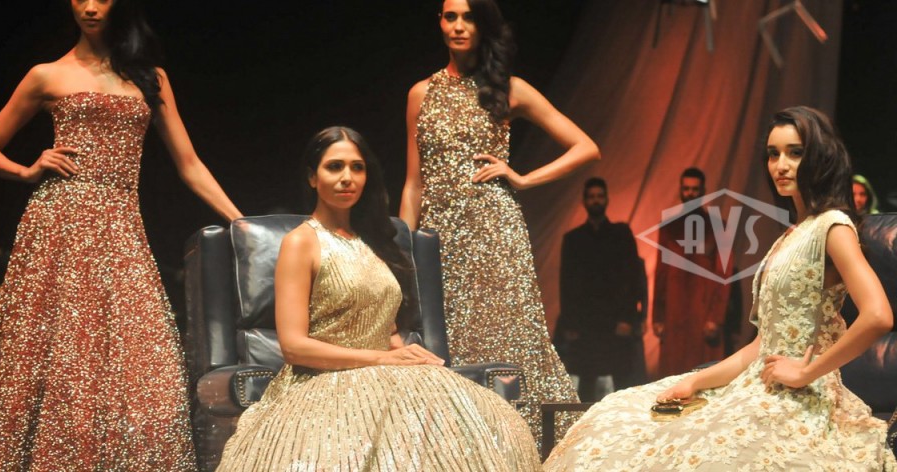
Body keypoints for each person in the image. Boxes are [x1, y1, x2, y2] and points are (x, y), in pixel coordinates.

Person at [0, 0, 243, 469]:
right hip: (58, 227)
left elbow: (189, 164)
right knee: (57, 359)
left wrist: (241, 222)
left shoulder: (150, 78)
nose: (89, 6)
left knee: (146, 364)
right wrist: (27, 170)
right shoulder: (46, 75)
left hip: (120, 227)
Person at [544, 106, 897, 470]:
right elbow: (760, 348)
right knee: (613, 418)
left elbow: (878, 316)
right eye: (773, 154)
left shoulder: (833, 226)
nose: (780, 165)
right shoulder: (791, 234)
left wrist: (807, 372)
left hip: (798, 398)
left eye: (795, 153)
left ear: (819, 157)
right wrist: (697, 381)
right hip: (757, 384)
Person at [216, 127, 540, 471]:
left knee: (470, 424)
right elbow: (294, 348)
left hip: (382, 374)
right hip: (319, 384)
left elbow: (385, 328)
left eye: (357, 168)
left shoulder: (378, 240)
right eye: (334, 167)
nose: (347, 177)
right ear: (313, 177)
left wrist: (409, 354)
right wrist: (383, 359)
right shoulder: (301, 242)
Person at [398, 0, 600, 440]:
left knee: (510, 339)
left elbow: (585, 147)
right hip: (439, 240)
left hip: (495, 233)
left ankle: (529, 443)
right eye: (450, 16)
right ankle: (460, 445)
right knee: (448, 342)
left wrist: (523, 179)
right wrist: (404, 248)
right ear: (439, 22)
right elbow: (414, 183)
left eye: (469, 17)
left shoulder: (509, 89)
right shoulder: (420, 93)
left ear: (484, 25)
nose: (458, 26)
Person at [555, 177, 646, 401]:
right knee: (586, 384)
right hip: (586, 323)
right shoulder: (574, 239)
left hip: (616, 321)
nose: (596, 201)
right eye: (591, 197)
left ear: (606, 199)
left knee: (623, 384)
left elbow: (633, 277)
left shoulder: (621, 234)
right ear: (584, 201)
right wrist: (570, 322)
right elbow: (566, 283)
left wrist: (629, 318)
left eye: (599, 196)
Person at [652, 167, 732, 376]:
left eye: (695, 189)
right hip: (674, 312)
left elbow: (724, 275)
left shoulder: (718, 227)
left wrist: (716, 317)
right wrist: (657, 316)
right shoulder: (668, 227)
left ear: (703, 191)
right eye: (686, 189)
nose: (690, 194)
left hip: (702, 312)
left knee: (703, 374)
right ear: (680, 190)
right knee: (673, 373)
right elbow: (661, 272)